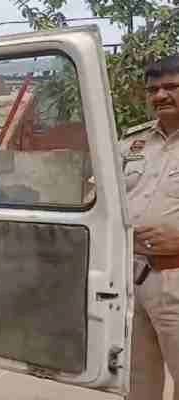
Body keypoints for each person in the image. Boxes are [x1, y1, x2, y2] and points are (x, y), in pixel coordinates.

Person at [121, 54, 179, 400]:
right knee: (136, 376)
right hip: (128, 278)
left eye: (171, 86)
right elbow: (99, 196)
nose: (160, 95)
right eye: (153, 89)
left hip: (175, 276)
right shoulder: (132, 142)